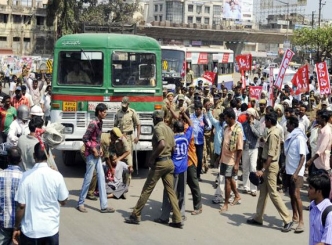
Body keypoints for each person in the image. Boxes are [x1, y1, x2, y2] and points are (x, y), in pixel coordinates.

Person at [125, 110, 183, 229]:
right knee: (171, 191)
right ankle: (177, 218)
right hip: (169, 162)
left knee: (147, 189)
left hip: (160, 163)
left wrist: (152, 158)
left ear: (155, 119)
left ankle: (135, 214)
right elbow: (173, 148)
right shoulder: (169, 129)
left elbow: (161, 144)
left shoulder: (158, 128)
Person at [12, 143, 68, 245]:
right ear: (49, 156)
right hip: (50, 230)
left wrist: (16, 227)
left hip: (30, 231)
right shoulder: (57, 176)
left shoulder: (25, 176)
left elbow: (21, 206)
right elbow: (63, 201)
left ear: (34, 156)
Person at [247, 112, 294, 232]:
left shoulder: (273, 134)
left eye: (265, 121)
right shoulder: (272, 131)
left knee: (273, 193)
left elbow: (270, 155)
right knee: (263, 192)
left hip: (270, 166)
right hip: (267, 164)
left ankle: (288, 219)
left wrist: (263, 170)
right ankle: (258, 217)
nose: (264, 122)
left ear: (269, 121)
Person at [77, 103, 115, 213]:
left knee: (102, 179)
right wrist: (93, 148)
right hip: (90, 155)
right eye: (104, 112)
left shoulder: (100, 123)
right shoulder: (93, 123)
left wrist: (100, 148)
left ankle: (104, 206)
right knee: (88, 179)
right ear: (99, 112)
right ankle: (81, 203)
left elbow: (97, 139)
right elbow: (85, 138)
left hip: (97, 155)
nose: (105, 114)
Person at [155, 117, 193, 224]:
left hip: (174, 168)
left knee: (169, 192)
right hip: (184, 168)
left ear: (175, 129)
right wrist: (184, 115)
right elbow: (191, 125)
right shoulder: (186, 137)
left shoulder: (172, 139)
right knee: (181, 192)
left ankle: (164, 216)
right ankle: (181, 213)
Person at [284, 116, 308, 233]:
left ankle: (301, 222)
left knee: (296, 195)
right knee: (291, 195)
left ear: (292, 125)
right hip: (289, 171)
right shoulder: (291, 136)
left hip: (296, 172)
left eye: (288, 124)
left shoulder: (299, 138)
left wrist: (296, 173)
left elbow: (303, 157)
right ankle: (294, 216)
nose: (286, 126)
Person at [219, 108, 243, 213]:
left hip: (231, 160)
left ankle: (226, 204)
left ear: (231, 118)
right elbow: (223, 144)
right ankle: (237, 195)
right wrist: (219, 157)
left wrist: (237, 163)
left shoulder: (238, 131)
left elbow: (240, 149)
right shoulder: (226, 128)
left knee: (227, 181)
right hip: (224, 158)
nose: (225, 120)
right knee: (229, 178)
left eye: (226, 118)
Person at [0, 147, 22, 245]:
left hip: (2, 222)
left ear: (7, 159)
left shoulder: (0, 175)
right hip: (19, 225)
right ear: (20, 160)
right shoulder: (25, 177)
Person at [114, 96, 140, 167]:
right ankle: (122, 171)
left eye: (125, 106)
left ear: (128, 104)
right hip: (121, 136)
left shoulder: (132, 112)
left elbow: (138, 124)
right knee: (120, 154)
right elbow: (115, 126)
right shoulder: (118, 113)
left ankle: (129, 172)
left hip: (129, 137)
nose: (124, 107)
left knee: (128, 155)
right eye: (123, 105)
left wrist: (137, 137)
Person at [308, 173, 332, 245]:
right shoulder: (312, 206)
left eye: (310, 188)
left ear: (319, 192)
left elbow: (326, 243)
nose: (308, 190)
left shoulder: (329, 214)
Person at [241, 108, 261, 196]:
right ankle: (246, 187)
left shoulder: (257, 123)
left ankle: (253, 189)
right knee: (245, 168)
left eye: (248, 115)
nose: (246, 116)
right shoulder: (243, 124)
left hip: (254, 148)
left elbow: (258, 135)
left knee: (253, 168)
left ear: (252, 116)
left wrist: (252, 125)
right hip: (245, 148)